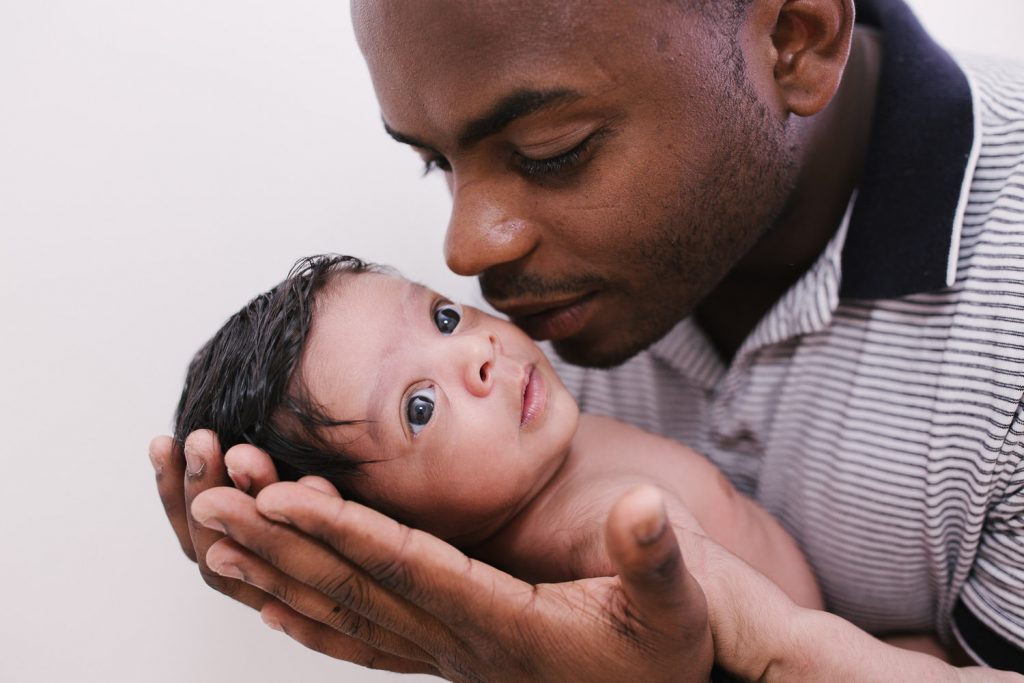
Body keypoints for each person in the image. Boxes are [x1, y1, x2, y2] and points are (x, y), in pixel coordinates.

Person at [150, 0, 1024, 679]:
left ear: (792, 37)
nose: (467, 249)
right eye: (436, 163)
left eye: (549, 148)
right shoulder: (551, 348)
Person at [174, 254, 823, 623]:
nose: (478, 352)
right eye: (420, 406)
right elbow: (755, 634)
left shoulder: (538, 448)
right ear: (388, 529)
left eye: (443, 316)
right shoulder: (580, 536)